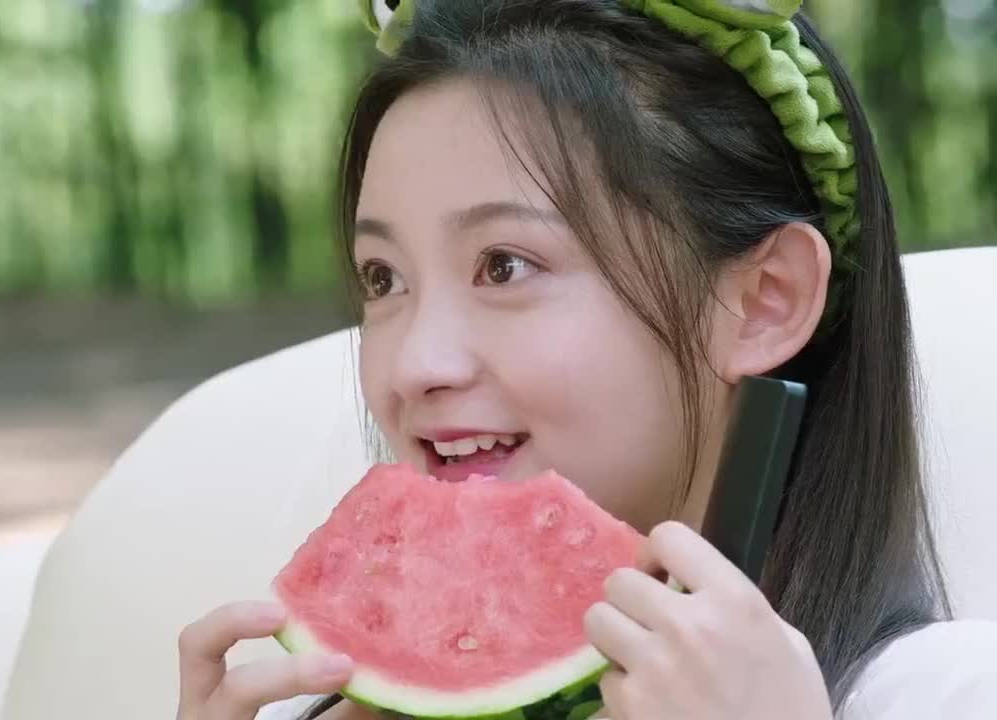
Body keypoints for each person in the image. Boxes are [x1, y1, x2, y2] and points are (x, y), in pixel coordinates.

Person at [174, 1, 997, 718]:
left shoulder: (945, 694)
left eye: (504, 265)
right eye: (382, 278)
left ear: (764, 301)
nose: (413, 365)